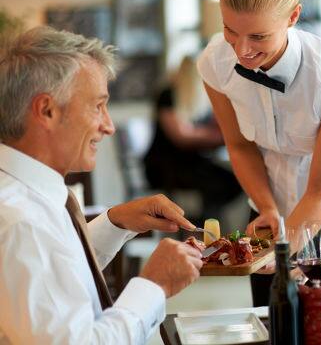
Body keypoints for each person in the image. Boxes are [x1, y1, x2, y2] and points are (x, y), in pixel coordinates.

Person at [0, 26, 204, 344]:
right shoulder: (23, 223)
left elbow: (55, 273)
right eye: (98, 106)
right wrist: (154, 285)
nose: (108, 126)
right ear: (47, 110)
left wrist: (115, 222)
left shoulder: (28, 199)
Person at [197, 0, 321, 305]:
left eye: (258, 37)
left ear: (292, 16)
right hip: (269, 193)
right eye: (230, 30)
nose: (242, 50)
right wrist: (267, 207)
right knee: (272, 314)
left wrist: (281, 252)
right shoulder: (215, 62)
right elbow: (240, 146)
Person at [144, 56, 242, 222]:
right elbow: (181, 136)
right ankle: (205, 225)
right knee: (223, 181)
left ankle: (208, 223)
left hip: (186, 163)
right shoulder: (168, 94)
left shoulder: (188, 100)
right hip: (166, 165)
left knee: (231, 179)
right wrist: (220, 136)